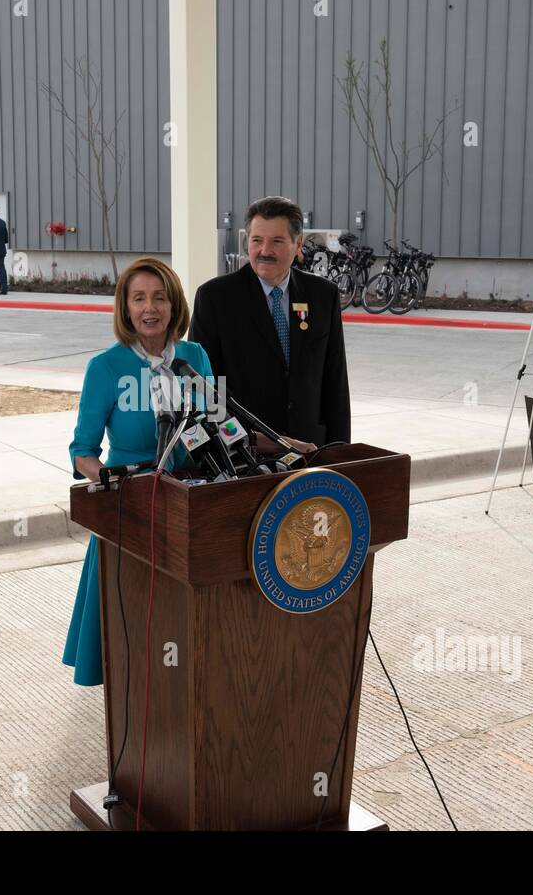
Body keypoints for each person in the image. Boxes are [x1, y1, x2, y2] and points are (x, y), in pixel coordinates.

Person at [63, 257, 215, 686]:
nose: (150, 307)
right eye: (139, 298)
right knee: (130, 621)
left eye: (160, 297)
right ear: (125, 308)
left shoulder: (195, 356)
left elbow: (218, 424)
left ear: (174, 305)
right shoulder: (105, 368)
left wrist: (278, 442)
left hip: (187, 502)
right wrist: (106, 480)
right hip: (128, 509)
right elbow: (83, 451)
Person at [190, 196, 351, 447]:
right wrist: (238, 445)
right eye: (257, 241)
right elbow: (206, 389)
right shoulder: (215, 298)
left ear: (298, 244)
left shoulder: (323, 296)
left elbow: (335, 382)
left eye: (276, 241)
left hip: (310, 451)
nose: (265, 251)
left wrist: (340, 454)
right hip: (246, 454)